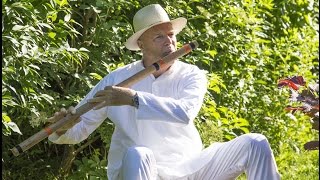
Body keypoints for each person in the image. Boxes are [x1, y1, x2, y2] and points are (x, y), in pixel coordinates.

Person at [48, 4, 281, 180]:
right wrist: (64, 128)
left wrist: (133, 98)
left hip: (191, 167)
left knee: (255, 142)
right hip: (144, 170)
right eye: (159, 36)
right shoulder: (116, 80)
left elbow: (185, 112)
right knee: (138, 153)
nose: (169, 41)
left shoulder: (192, 74)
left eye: (171, 34)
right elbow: (81, 128)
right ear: (141, 44)